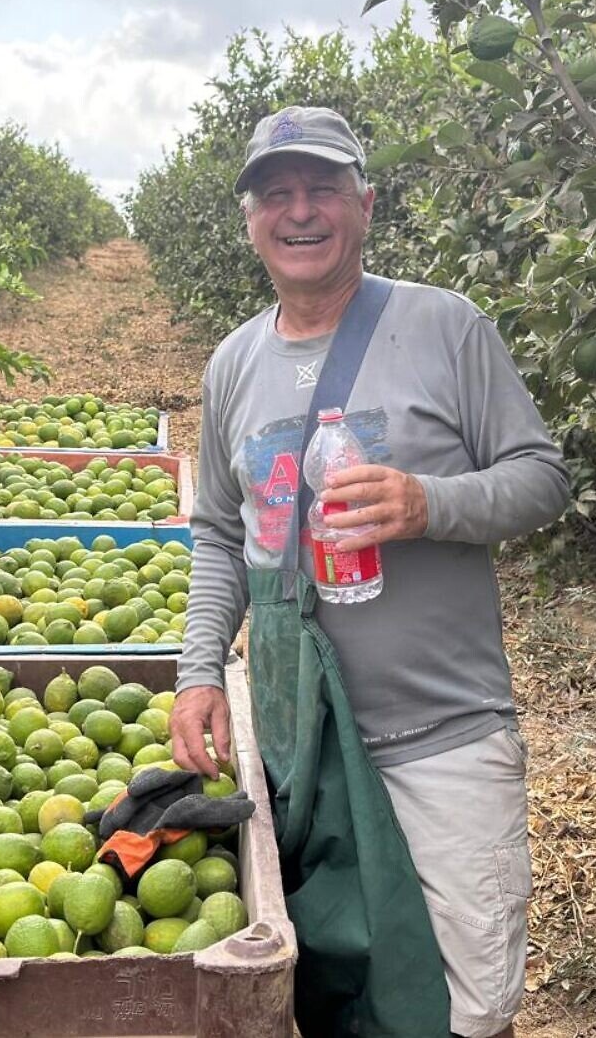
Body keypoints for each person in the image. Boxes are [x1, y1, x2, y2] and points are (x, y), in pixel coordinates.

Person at [169, 105, 571, 1038]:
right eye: (277, 194)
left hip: (443, 737)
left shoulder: (444, 326)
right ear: (250, 220)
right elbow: (221, 534)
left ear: (365, 203)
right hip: (299, 745)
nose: (300, 212)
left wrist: (432, 503)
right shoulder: (233, 364)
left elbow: (543, 477)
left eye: (323, 189)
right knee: (343, 995)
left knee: (466, 1008)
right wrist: (197, 673)